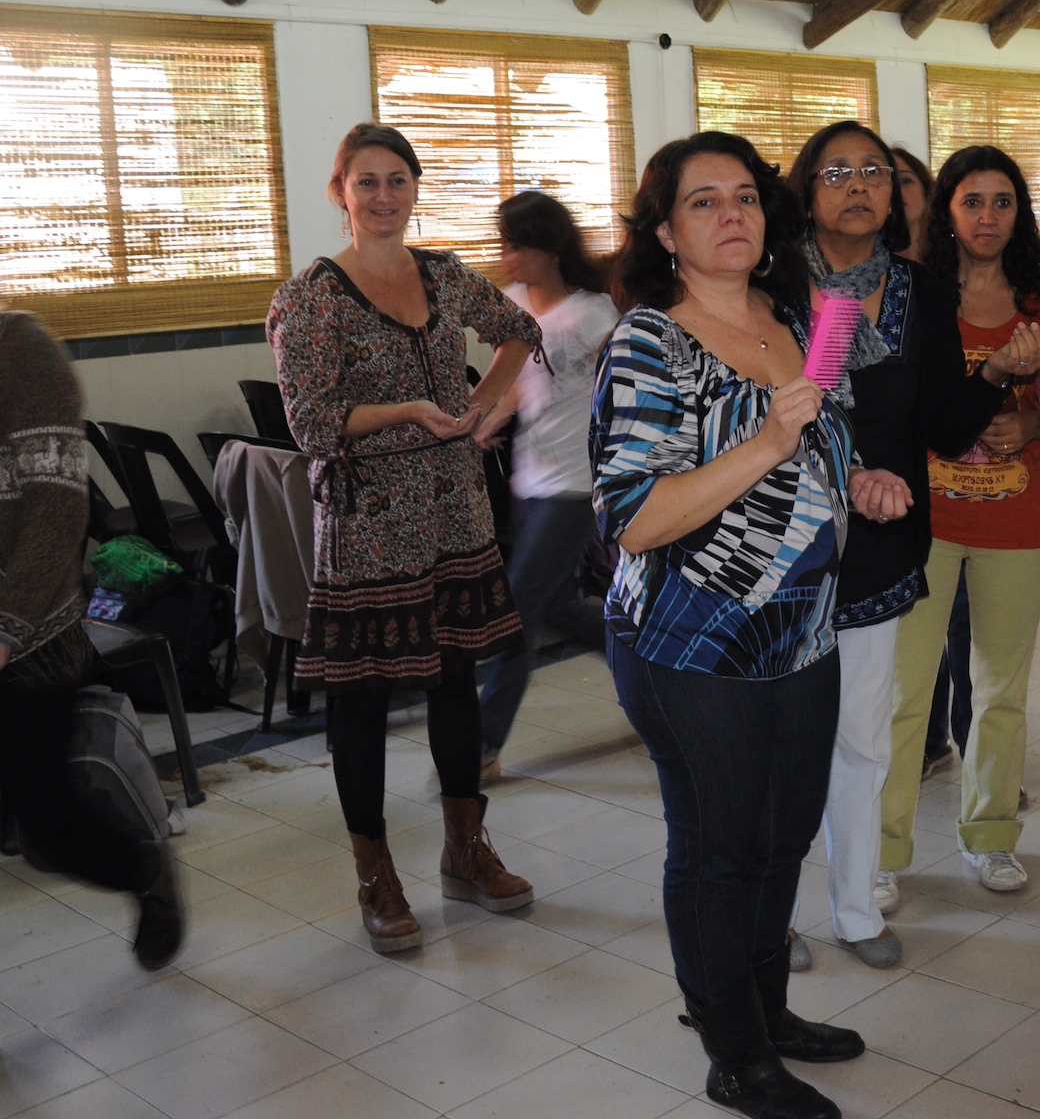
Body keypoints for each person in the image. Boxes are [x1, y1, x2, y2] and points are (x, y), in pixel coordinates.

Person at [595, 130, 908, 1119]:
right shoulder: (648, 342)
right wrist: (769, 442)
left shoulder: (793, 318)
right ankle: (732, 1055)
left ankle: (766, 1014)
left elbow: (823, 440)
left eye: (743, 196)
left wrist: (860, 477)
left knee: (782, 837)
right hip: (691, 641)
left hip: (802, 630)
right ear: (665, 232)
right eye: (702, 201)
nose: (730, 214)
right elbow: (634, 517)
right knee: (718, 847)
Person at [269, 123, 539, 955]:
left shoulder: (444, 274)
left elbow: (519, 331)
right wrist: (413, 412)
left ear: (414, 189)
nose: (383, 196)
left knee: (455, 678)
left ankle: (465, 849)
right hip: (369, 522)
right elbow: (312, 423)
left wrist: (485, 404)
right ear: (340, 193)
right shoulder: (310, 298)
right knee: (363, 696)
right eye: (367, 181)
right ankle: (376, 876)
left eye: (397, 180)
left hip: (454, 508)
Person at [788, 121, 1020, 966]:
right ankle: (767, 916)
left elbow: (941, 425)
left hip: (879, 543)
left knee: (863, 737)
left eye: (874, 172)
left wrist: (993, 376)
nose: (857, 186)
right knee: (777, 743)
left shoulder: (919, 288)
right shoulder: (771, 281)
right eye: (836, 172)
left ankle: (855, 909)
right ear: (805, 188)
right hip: (775, 544)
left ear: (895, 193)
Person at [880, 145, 1040, 895]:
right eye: (972, 201)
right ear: (945, 211)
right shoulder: (913, 294)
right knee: (903, 693)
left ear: (1020, 214)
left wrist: (1035, 421)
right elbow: (893, 403)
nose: (987, 217)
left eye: (1002, 202)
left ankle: (989, 836)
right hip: (924, 521)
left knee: (1000, 691)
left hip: (1019, 522)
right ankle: (882, 852)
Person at [0, 309, 183, 971]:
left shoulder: (20, 351)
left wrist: (6, 627)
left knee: (51, 830)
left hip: (32, 647)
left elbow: (55, 512)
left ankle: (142, 869)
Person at [474, 191, 619, 782]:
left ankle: (482, 748)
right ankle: (646, 660)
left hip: (577, 483)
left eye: (515, 245)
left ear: (549, 248)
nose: (505, 257)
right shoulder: (513, 304)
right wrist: (485, 422)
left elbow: (624, 392)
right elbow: (513, 384)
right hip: (529, 477)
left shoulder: (594, 313)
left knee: (518, 606)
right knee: (555, 602)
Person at [892, 147, 933, 263]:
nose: (897, 190)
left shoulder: (953, 261)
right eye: (888, 182)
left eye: (905, 181)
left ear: (926, 192)